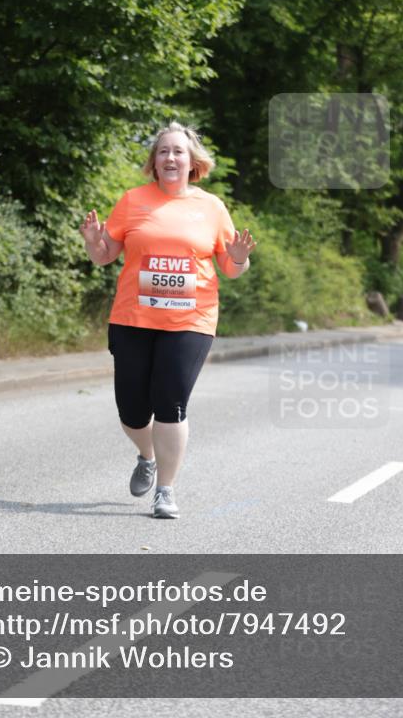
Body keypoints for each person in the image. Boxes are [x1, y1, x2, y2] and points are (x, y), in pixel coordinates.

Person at [79, 122, 256, 519]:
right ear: (154, 162)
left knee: (170, 404)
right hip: (133, 317)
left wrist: (240, 256)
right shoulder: (133, 200)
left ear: (192, 161)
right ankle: (147, 455)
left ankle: (166, 491)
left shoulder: (211, 207)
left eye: (178, 151)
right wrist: (94, 241)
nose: (170, 158)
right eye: (163, 152)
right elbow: (106, 255)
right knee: (131, 411)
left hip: (191, 320)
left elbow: (229, 267)